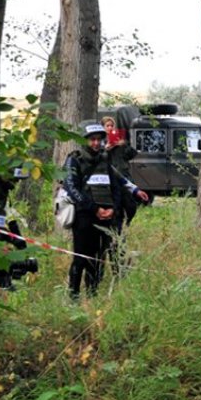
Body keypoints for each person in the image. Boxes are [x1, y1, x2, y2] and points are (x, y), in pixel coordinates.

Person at [63, 122, 149, 299]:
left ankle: (92, 296)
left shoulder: (104, 159)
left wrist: (114, 208)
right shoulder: (74, 160)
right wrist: (94, 209)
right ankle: (73, 297)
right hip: (84, 217)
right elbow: (72, 188)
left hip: (105, 217)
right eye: (92, 140)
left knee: (97, 259)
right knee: (80, 258)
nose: (96, 143)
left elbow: (117, 183)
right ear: (84, 140)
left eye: (99, 140)